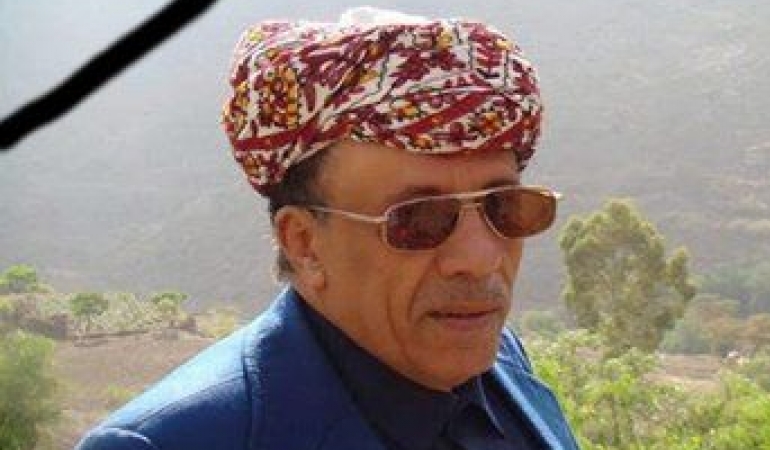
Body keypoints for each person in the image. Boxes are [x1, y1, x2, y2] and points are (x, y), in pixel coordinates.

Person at [76, 7, 579, 450]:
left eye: (503, 206)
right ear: (305, 244)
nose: (480, 257)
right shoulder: (173, 442)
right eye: (419, 219)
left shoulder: (502, 365)